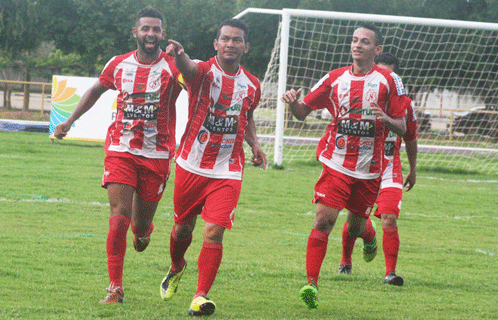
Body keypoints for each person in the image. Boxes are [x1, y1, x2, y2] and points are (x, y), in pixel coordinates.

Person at [53, 8, 182, 304]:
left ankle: (144, 232)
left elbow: (197, 81)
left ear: (163, 34)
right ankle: (115, 288)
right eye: (145, 29)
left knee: (138, 227)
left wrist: (182, 58)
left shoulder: (173, 68)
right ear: (134, 33)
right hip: (120, 150)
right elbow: (95, 90)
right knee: (118, 217)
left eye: (156, 30)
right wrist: (70, 120)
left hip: (157, 155)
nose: (151, 34)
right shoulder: (119, 64)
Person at [281, 24, 408, 309]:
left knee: (355, 225)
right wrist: (292, 104)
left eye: (365, 42)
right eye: (354, 40)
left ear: (376, 50)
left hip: (370, 169)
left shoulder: (390, 81)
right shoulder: (334, 78)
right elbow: (303, 112)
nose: (357, 45)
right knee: (324, 220)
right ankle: (311, 284)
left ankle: (369, 235)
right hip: (336, 163)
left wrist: (385, 118)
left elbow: (403, 126)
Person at [160, 19, 266, 316]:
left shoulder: (252, 84)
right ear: (216, 44)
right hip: (191, 164)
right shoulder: (203, 71)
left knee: (213, 232)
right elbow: (188, 70)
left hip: (228, 169)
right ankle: (176, 266)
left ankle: (200, 295)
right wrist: (179, 54)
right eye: (225, 39)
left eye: (236, 40)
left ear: (245, 47)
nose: (230, 44)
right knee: (183, 229)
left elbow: (247, 116)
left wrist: (254, 144)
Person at [338, 53, 418, 286]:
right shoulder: (356, 97)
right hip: (361, 166)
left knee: (390, 218)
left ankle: (390, 273)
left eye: (389, 74)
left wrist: (413, 169)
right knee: (356, 220)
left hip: (389, 168)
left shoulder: (406, 105)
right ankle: (346, 260)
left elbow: (410, 137)